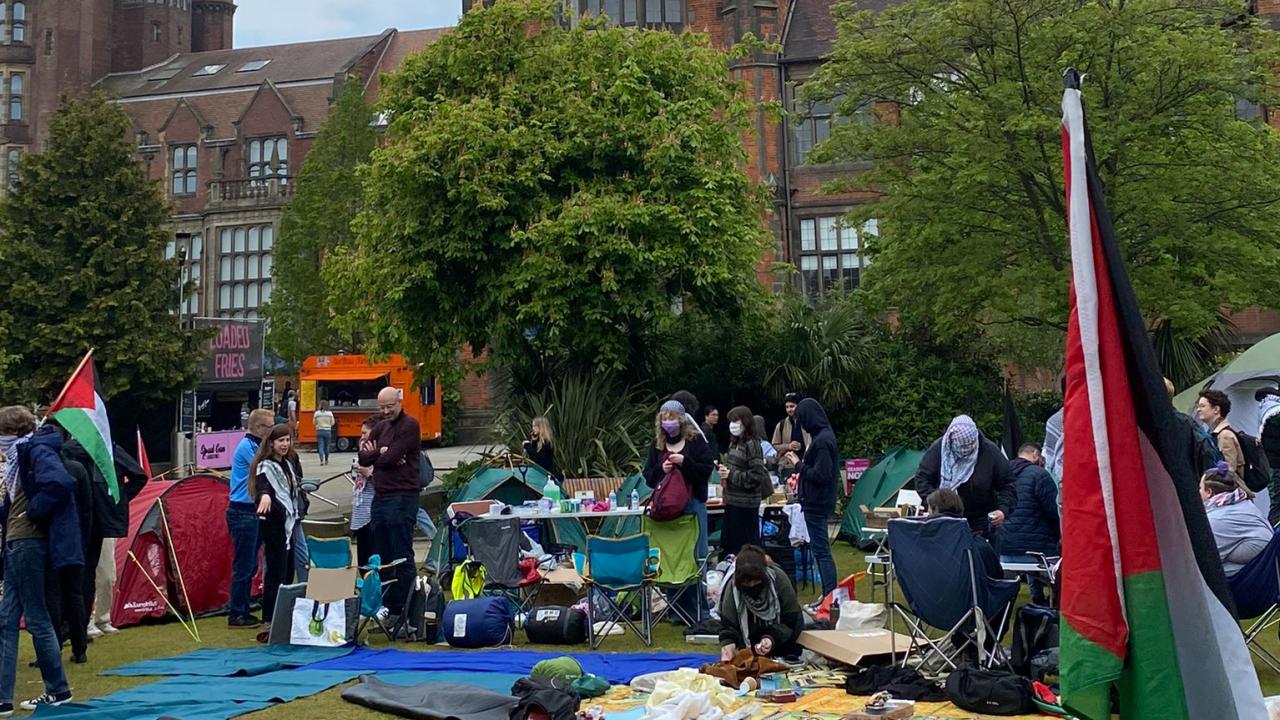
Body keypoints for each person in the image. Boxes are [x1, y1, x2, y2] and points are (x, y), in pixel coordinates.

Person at [0, 407, 74, 711]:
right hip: (17, 541)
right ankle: (4, 699)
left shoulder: (33, 451)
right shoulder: (20, 457)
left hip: (27, 541)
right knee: (6, 620)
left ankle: (57, 689)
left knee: (36, 619)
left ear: (11, 432)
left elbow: (60, 484)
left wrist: (32, 512)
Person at [62, 436, 145, 640]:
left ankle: (101, 618)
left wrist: (117, 501)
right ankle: (83, 622)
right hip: (80, 521)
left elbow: (138, 476)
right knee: (82, 574)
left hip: (101, 520)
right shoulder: (67, 450)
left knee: (105, 573)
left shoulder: (111, 449)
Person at [358, 387, 422, 621]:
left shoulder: (410, 425)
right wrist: (381, 454)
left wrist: (382, 455)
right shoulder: (380, 427)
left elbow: (392, 457)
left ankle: (408, 608)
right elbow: (363, 456)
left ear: (399, 402)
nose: (386, 411)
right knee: (382, 554)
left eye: (390, 406)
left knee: (401, 553)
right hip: (381, 496)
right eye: (382, 407)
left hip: (403, 495)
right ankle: (390, 606)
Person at [914, 415, 1015, 539]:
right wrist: (935, 504)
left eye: (970, 445)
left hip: (980, 523)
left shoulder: (990, 452)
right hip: (942, 520)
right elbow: (922, 479)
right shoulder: (937, 450)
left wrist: (1002, 510)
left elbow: (1008, 485)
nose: (966, 450)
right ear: (950, 439)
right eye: (961, 446)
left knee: (982, 556)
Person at [250, 423, 301, 641]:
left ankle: (284, 617)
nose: (284, 444)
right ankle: (269, 619)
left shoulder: (288, 464)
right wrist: (265, 496)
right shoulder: (265, 466)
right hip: (274, 525)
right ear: (271, 442)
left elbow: (291, 491)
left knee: (288, 572)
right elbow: (264, 487)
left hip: (289, 523)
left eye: (287, 440)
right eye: (281, 440)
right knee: (275, 573)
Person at [784, 398, 838, 598]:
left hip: (817, 502)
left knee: (821, 552)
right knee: (820, 550)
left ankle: (830, 596)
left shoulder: (822, 441)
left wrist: (798, 465)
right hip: (815, 500)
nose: (801, 425)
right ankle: (828, 595)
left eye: (802, 419)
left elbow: (822, 474)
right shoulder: (821, 437)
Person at [226, 409, 274, 629]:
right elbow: (265, 465)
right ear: (257, 427)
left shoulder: (253, 445)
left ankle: (243, 606)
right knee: (244, 564)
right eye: (269, 427)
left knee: (250, 562)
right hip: (243, 510)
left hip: (250, 511)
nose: (271, 431)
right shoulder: (248, 447)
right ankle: (237, 613)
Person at [717, 545, 805, 661]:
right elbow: (728, 625)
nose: (752, 586)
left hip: (785, 640)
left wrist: (771, 639)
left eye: (756, 581)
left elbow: (791, 619)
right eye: (746, 583)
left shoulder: (780, 580)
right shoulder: (732, 590)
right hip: (750, 643)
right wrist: (728, 646)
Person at [999, 444, 1060, 605]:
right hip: (1038, 553)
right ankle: (1047, 601)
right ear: (1034, 454)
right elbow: (1054, 512)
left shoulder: (1001, 475)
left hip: (1005, 549)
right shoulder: (1040, 475)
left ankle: (1035, 597)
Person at [1201, 461, 1272, 578]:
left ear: (1209, 492)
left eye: (1200, 488)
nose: (1197, 492)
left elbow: (1206, 560)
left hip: (1248, 580)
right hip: (1263, 571)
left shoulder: (1217, 519)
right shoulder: (1243, 504)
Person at [720, 406, 770, 557]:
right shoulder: (734, 442)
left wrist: (731, 475)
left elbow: (756, 476)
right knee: (729, 546)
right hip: (732, 501)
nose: (732, 424)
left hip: (746, 505)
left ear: (745, 422)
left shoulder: (752, 444)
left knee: (746, 547)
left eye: (736, 420)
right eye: (731, 421)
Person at [1198, 389, 1244, 487]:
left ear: (1216, 409)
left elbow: (1229, 471)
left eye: (1202, 406)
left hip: (1227, 492)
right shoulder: (1214, 433)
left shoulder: (1224, 435)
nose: (1198, 409)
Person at [351, 418, 377, 567]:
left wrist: (369, 474)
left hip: (371, 513)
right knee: (362, 559)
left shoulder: (380, 454)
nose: (361, 437)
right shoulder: (361, 453)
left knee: (371, 558)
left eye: (364, 433)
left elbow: (384, 482)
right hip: (359, 514)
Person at [772, 393, 810, 479]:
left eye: (792, 406)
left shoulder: (807, 422)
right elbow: (774, 445)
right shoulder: (781, 425)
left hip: (807, 464)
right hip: (789, 467)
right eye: (787, 407)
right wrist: (788, 446)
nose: (789, 410)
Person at [1257, 386, 1280, 525]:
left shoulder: (1266, 409)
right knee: (1277, 505)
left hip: (1273, 466)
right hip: (1276, 467)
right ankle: (1274, 540)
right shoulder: (1273, 411)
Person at [522, 416, 561, 483]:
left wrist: (527, 446)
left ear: (540, 427)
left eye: (534, 426)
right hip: (539, 474)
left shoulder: (546, 443)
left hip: (545, 475)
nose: (532, 429)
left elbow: (538, 459)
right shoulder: (538, 442)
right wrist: (534, 442)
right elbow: (533, 458)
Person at [313, 402, 336, 466]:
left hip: (319, 431)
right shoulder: (330, 413)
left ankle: (321, 461)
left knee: (320, 446)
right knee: (327, 446)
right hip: (327, 431)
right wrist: (328, 425)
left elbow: (314, 422)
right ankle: (326, 460)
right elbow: (333, 422)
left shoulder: (317, 413)